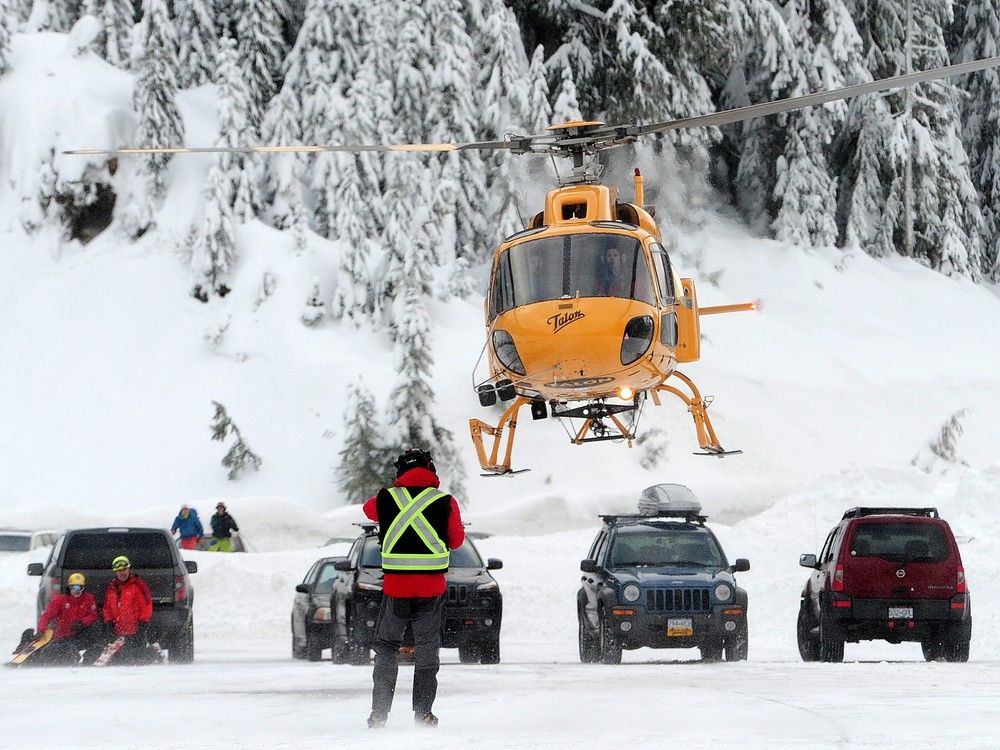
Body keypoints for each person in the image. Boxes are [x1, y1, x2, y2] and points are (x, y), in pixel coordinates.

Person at [362, 448, 465, 729]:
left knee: (386, 648)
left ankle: (379, 714)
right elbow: (456, 541)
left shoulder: (386, 498)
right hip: (431, 590)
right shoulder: (445, 501)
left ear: (400, 472)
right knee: (427, 648)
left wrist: (394, 492)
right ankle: (423, 714)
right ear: (430, 469)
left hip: (396, 589)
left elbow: (368, 509)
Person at [19, 572, 100, 665]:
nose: (76, 591)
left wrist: (82, 623)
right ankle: (30, 655)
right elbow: (47, 616)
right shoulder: (60, 600)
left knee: (96, 627)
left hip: (80, 635)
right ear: (69, 587)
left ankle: (91, 657)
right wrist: (41, 630)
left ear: (83, 588)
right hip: (63, 636)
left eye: (79, 588)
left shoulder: (89, 599)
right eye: (73, 588)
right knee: (51, 651)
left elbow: (94, 615)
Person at [101, 555, 154, 665]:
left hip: (136, 631)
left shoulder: (138, 585)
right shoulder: (111, 588)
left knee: (139, 660)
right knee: (119, 661)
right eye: (119, 570)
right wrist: (109, 621)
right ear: (115, 572)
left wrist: (143, 622)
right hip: (119, 633)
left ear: (129, 569)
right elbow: (107, 608)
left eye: (124, 569)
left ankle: (154, 653)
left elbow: (146, 605)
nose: (122, 573)